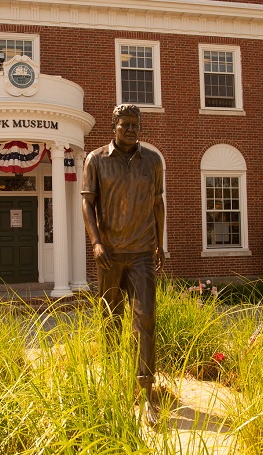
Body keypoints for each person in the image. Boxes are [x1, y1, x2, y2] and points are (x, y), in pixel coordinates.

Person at [81, 103, 165, 426]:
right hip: (111, 254)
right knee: (110, 320)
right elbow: (87, 203)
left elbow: (158, 203)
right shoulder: (96, 160)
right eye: (125, 124)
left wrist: (160, 243)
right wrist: (96, 242)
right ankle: (114, 385)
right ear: (113, 126)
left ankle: (146, 395)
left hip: (143, 252)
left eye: (135, 124)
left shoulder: (153, 161)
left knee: (145, 318)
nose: (131, 130)